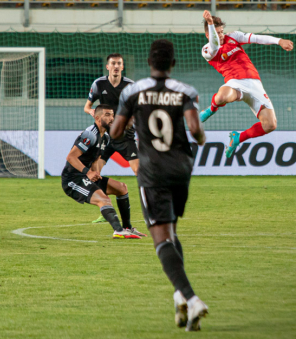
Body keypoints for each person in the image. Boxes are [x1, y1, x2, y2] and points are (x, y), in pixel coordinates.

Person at [110, 39, 208, 332]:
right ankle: (180, 298)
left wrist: (130, 121)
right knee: (171, 230)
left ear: (149, 63)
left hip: (152, 172)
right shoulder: (185, 91)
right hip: (181, 169)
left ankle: (192, 299)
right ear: (172, 64)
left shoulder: (133, 91)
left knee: (161, 238)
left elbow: (116, 132)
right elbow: (195, 130)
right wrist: (201, 138)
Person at [199, 11, 294, 158]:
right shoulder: (207, 50)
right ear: (209, 35)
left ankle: (237, 138)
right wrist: (210, 24)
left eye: (222, 31)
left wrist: (279, 41)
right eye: (217, 33)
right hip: (234, 83)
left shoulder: (233, 36)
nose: (221, 35)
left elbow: (256, 38)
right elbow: (214, 45)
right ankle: (211, 109)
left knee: (270, 124)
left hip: (255, 83)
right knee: (222, 97)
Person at [61, 104, 145, 240]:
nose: (111, 118)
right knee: (104, 200)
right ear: (97, 118)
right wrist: (88, 172)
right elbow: (71, 157)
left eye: (112, 115)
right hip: (73, 180)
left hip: (86, 176)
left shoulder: (105, 137)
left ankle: (127, 228)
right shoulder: (90, 134)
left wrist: (95, 172)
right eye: (107, 115)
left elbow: (96, 159)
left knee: (121, 188)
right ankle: (118, 231)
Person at [84, 54, 142, 225]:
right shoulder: (98, 84)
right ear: (107, 67)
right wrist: (93, 112)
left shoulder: (130, 86)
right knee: (94, 173)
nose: (116, 66)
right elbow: (87, 107)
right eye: (113, 63)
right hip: (105, 137)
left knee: (139, 172)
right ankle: (105, 208)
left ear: (122, 67)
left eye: (119, 64)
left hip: (125, 137)